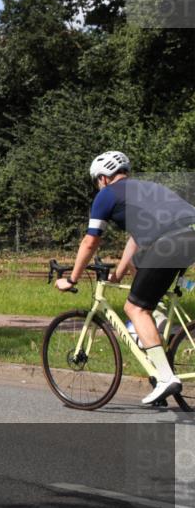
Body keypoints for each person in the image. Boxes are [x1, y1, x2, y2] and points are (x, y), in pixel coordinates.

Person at [55, 151, 195, 404]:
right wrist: (118, 274)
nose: (98, 186)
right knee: (144, 283)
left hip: (170, 241)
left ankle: (166, 378)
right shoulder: (147, 188)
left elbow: (90, 242)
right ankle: (157, 338)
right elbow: (136, 240)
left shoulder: (106, 195)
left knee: (135, 308)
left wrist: (72, 279)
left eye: (97, 181)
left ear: (103, 178)